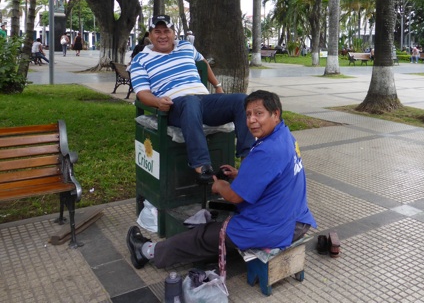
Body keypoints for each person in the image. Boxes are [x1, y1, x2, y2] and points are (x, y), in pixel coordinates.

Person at [126, 90, 317, 269]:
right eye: (248, 114)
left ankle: (146, 252)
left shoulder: (266, 151)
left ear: (275, 114)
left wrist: (220, 186)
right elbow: (274, 175)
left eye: (259, 114)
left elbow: (234, 197)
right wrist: (240, 175)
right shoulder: (285, 136)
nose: (251, 121)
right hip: (298, 219)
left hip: (277, 229)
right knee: (223, 216)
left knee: (203, 236)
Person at [129, 15, 254, 180]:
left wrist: (217, 86)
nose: (162, 36)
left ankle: (249, 162)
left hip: (204, 102)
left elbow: (203, 63)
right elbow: (142, 93)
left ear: (174, 33)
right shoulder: (140, 59)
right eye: (157, 32)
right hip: (175, 106)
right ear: (150, 36)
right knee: (190, 101)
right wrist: (157, 102)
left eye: (167, 31)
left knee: (242, 100)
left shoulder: (186, 47)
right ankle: (201, 165)